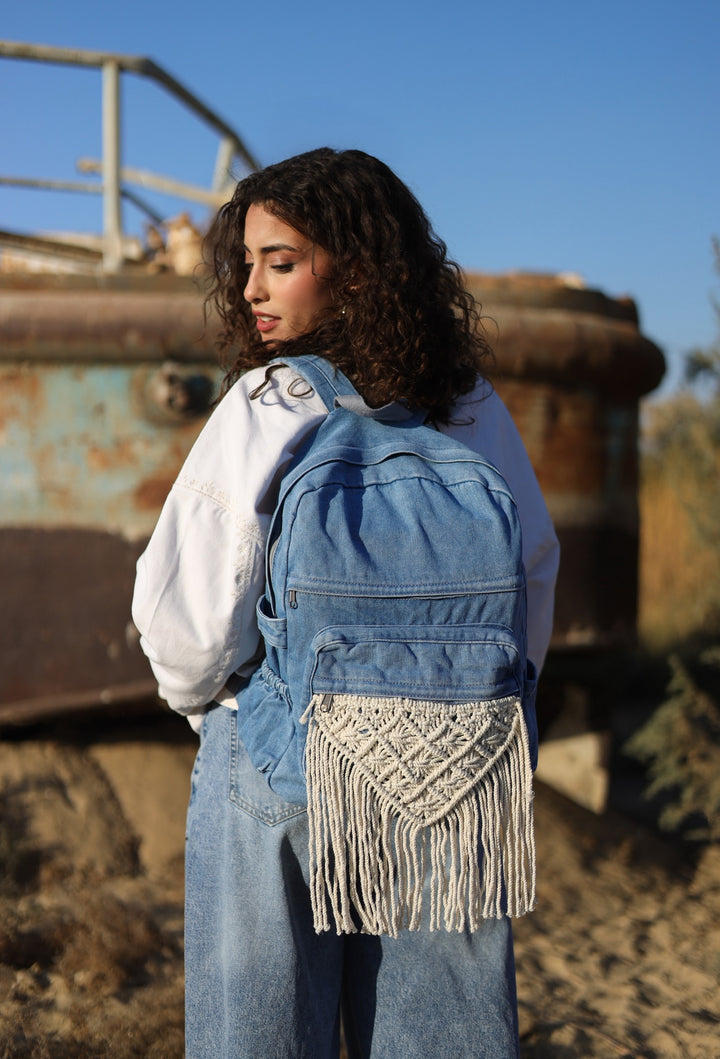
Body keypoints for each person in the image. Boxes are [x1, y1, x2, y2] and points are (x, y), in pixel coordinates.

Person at [132, 147, 559, 1059]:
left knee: (260, 1038)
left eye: (279, 262)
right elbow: (534, 572)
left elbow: (187, 626)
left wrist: (220, 713)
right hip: (454, 765)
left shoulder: (268, 402)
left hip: (283, 760)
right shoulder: (473, 407)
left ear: (357, 270)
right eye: (247, 263)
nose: (250, 287)